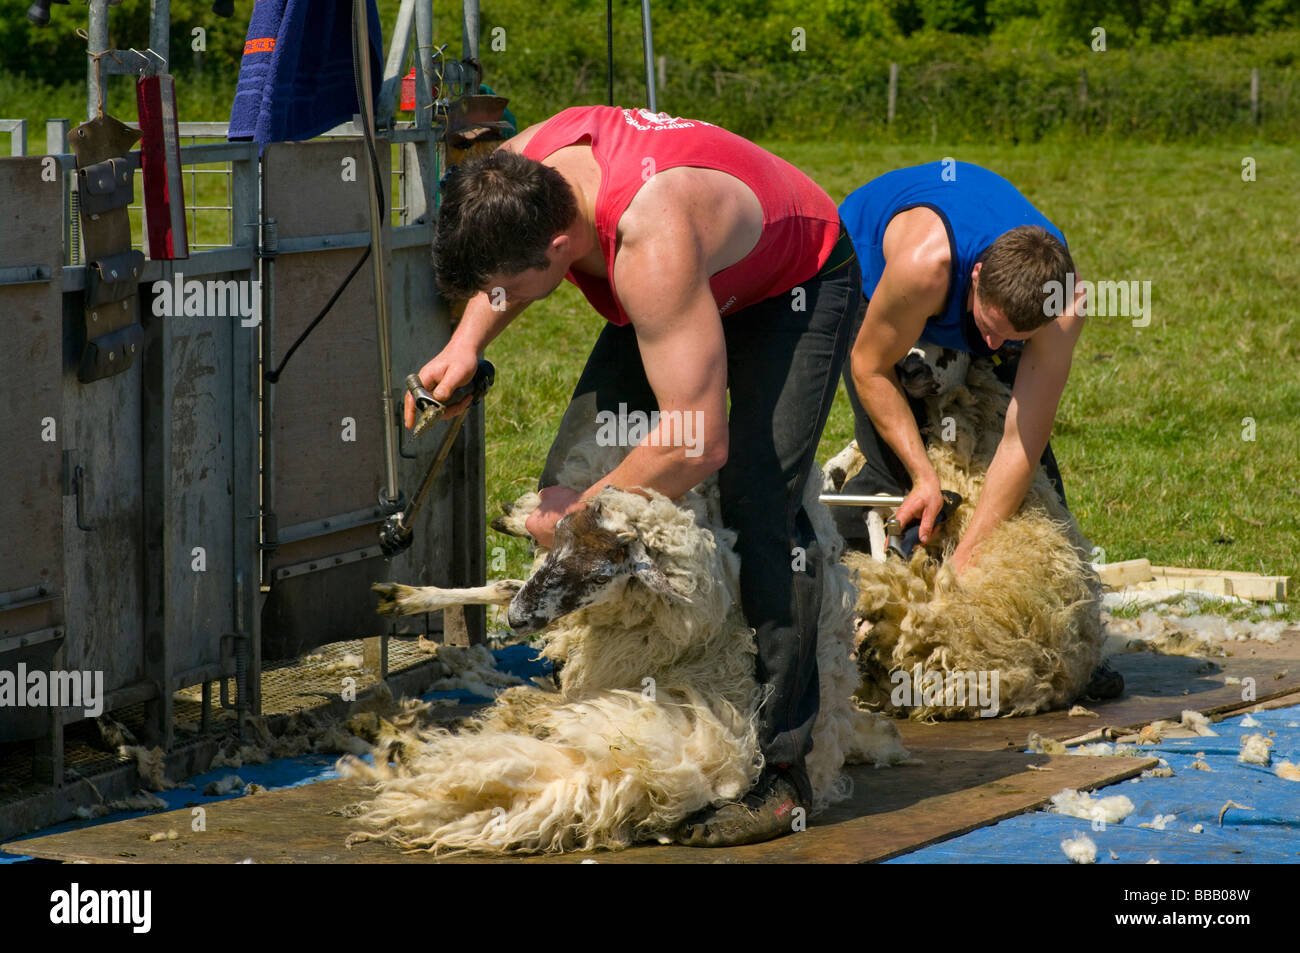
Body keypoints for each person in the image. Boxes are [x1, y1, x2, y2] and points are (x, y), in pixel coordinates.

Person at [404, 105, 862, 845]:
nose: (503, 301)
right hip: (685, 277)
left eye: (513, 289)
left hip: (796, 285)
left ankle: (783, 772)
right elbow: (504, 278)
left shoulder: (649, 245)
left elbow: (695, 439)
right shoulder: (521, 166)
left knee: (759, 504)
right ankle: (642, 710)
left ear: (559, 247)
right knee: (567, 479)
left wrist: (587, 513)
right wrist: (465, 344)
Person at [837, 159, 1122, 698]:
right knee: (892, 477)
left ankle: (1066, 640)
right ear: (975, 280)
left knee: (1038, 491)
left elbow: (1022, 439)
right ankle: (833, 622)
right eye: (989, 330)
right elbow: (869, 368)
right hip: (869, 275)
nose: (991, 350)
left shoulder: (1063, 310)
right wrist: (922, 475)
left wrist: (967, 556)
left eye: (1012, 340)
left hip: (980, 302)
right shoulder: (923, 267)